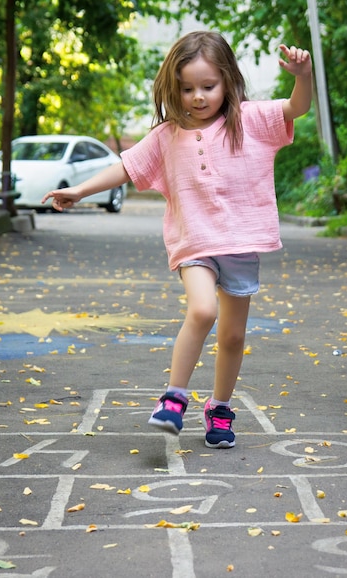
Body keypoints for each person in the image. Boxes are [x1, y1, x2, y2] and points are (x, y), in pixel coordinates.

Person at [42, 31, 312, 449]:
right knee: (203, 310)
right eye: (187, 89)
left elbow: (297, 106)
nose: (198, 97)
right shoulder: (168, 135)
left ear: (227, 81)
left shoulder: (250, 120)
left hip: (240, 244)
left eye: (208, 87)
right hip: (195, 244)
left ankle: (219, 408)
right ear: (174, 87)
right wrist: (80, 191)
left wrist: (302, 74)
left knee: (233, 337)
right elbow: (127, 169)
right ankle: (173, 397)